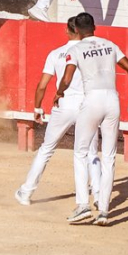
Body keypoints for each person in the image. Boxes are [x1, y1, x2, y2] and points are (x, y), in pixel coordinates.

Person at [55, 12, 128, 225]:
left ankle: (83, 205)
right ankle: (103, 210)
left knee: (81, 152)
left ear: (76, 30)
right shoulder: (110, 45)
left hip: (92, 100)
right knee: (109, 156)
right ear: (94, 27)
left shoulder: (75, 49)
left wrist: (59, 93)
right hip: (112, 100)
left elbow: (66, 78)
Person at [14, 17, 101, 208]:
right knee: (91, 152)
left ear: (67, 31)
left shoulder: (55, 54)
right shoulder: (93, 53)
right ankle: (98, 196)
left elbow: (42, 85)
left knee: (46, 149)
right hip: (87, 105)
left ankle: (26, 192)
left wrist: (37, 108)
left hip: (64, 105)